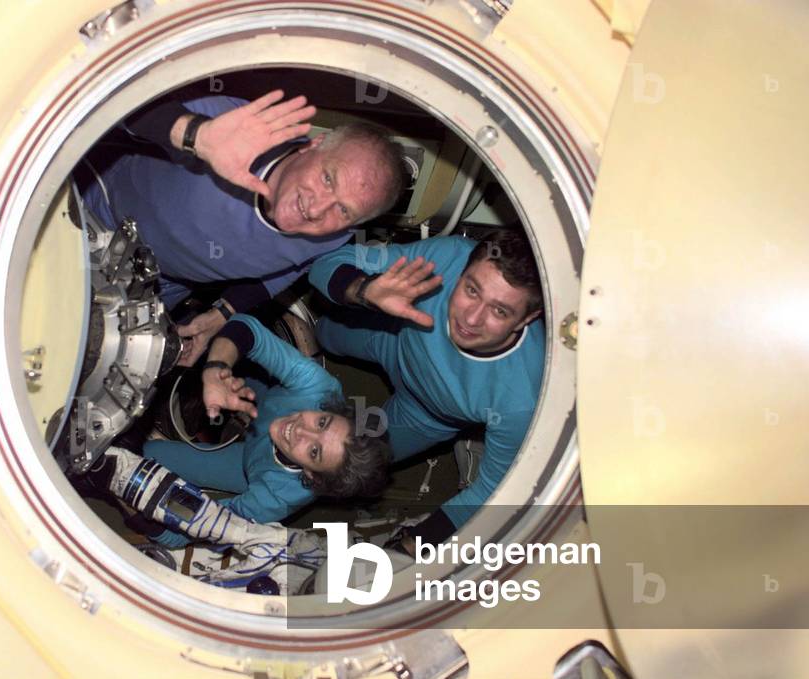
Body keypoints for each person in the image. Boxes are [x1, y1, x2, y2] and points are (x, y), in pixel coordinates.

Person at [76, 89, 405, 365]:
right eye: (327, 178)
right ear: (313, 145)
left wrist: (222, 312)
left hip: (155, 288)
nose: (317, 208)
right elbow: (110, 101)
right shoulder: (242, 133)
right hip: (95, 215)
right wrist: (194, 134)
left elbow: (287, 271)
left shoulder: (336, 235)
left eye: (344, 210)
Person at [308, 229, 545, 545]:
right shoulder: (448, 256)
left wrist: (413, 547)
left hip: (426, 415)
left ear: (527, 319)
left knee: (339, 464)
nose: (472, 319)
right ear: (461, 270)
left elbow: (494, 491)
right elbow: (326, 264)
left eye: (500, 311)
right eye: (471, 290)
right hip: (393, 336)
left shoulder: (521, 400)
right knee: (324, 333)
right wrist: (364, 290)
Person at [133, 314, 391, 548]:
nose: (302, 430)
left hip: (247, 465)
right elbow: (249, 330)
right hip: (266, 395)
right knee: (227, 351)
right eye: (322, 423)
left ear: (312, 476)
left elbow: (210, 527)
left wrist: (140, 512)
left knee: (145, 453)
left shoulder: (277, 496)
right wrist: (217, 369)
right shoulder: (319, 389)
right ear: (330, 409)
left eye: (315, 451)